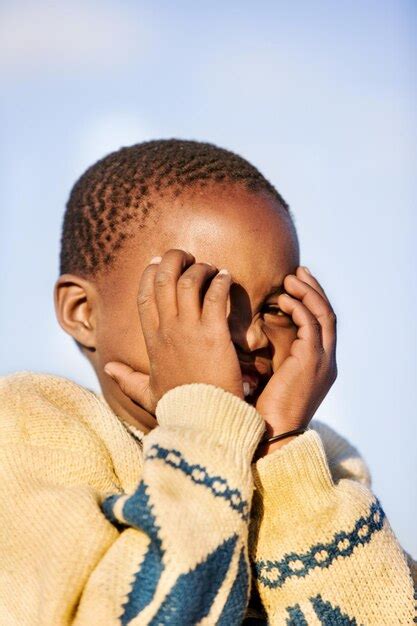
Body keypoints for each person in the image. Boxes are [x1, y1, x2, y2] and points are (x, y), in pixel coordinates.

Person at [0, 139, 415, 625]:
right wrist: (205, 424)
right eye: (205, 297)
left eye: (277, 308)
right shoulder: (29, 430)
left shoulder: (324, 466)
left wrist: (280, 452)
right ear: (83, 311)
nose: (255, 336)